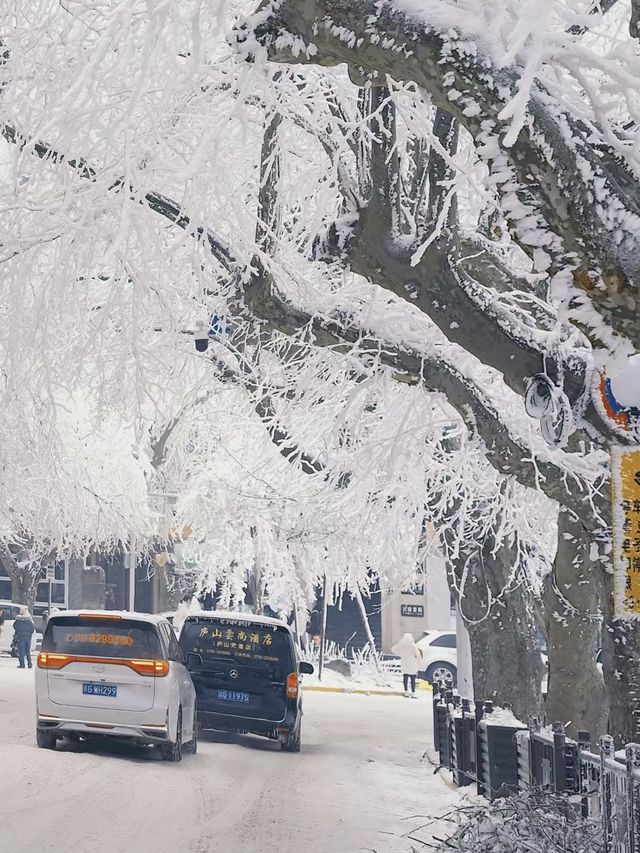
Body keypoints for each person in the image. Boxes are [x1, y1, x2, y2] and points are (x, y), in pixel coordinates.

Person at [391, 632, 422, 698]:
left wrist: (400, 654)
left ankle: (406, 692)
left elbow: (393, 649)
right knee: (412, 679)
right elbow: (418, 654)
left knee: (405, 678)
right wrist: (418, 662)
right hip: (412, 664)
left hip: (404, 663)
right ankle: (413, 692)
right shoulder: (412, 645)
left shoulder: (401, 644)